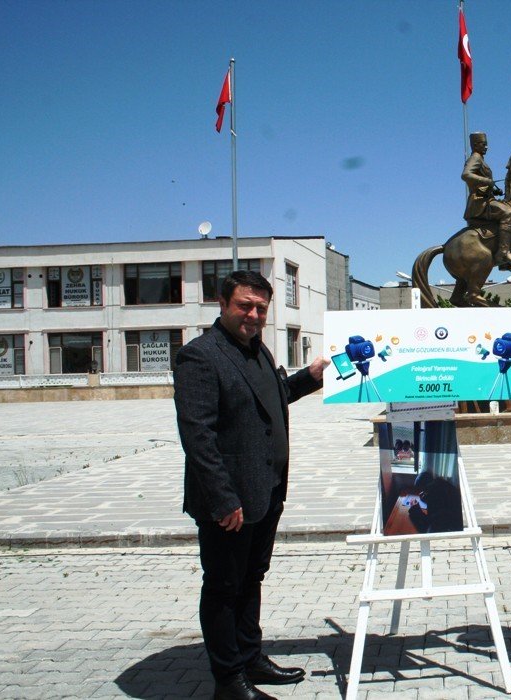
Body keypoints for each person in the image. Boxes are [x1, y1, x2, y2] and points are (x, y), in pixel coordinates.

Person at [174, 270, 327, 700]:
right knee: (224, 586)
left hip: (266, 491)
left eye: (261, 307)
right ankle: (228, 680)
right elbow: (197, 435)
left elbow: (274, 396)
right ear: (223, 304)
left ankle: (250, 657)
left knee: (252, 578)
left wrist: (310, 376)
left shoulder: (257, 352)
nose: (254, 314)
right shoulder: (200, 357)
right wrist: (223, 499)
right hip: (230, 501)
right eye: (245, 305)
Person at [462, 131, 511, 271]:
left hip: (486, 198)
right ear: (476, 145)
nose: (486, 147)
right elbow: (465, 175)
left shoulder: (481, 159)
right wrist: (486, 180)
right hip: (479, 203)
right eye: (484, 144)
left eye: (487, 144)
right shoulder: (475, 158)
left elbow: (481, 184)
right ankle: (503, 253)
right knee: (508, 213)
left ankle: (502, 259)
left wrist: (493, 190)